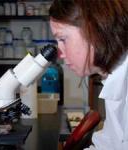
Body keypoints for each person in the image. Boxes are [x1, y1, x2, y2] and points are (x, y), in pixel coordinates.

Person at [49, 0, 128, 150]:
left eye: (62, 39)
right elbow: (112, 143)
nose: (59, 53)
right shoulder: (115, 78)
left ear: (95, 31)